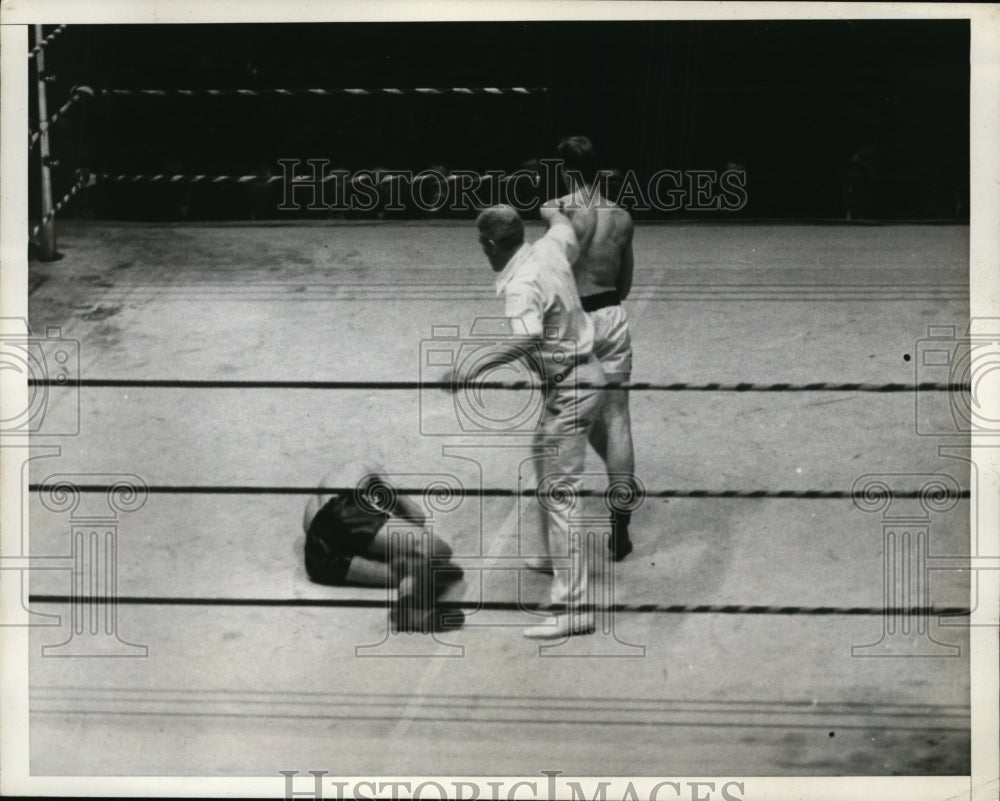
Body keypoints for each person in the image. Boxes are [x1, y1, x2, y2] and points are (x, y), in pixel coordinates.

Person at [444, 204, 605, 639]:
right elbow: (563, 227)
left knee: (561, 495)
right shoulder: (550, 247)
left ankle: (575, 608)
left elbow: (525, 339)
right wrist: (551, 209)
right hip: (575, 380)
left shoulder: (520, 284)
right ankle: (555, 560)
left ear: (492, 244)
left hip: (572, 388)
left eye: (483, 247)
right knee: (543, 460)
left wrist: (469, 371)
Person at [544, 135, 638, 561]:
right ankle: (621, 524)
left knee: (564, 418)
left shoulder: (560, 210)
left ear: (565, 170)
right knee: (618, 419)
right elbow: (624, 284)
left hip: (574, 321)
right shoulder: (622, 217)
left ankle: (559, 529)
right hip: (611, 313)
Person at [303, 459, 463, 631]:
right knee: (437, 550)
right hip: (343, 510)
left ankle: (411, 613)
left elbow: (324, 531)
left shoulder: (321, 497)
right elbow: (417, 517)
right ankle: (424, 597)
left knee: (411, 571)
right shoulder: (367, 468)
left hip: (318, 559)